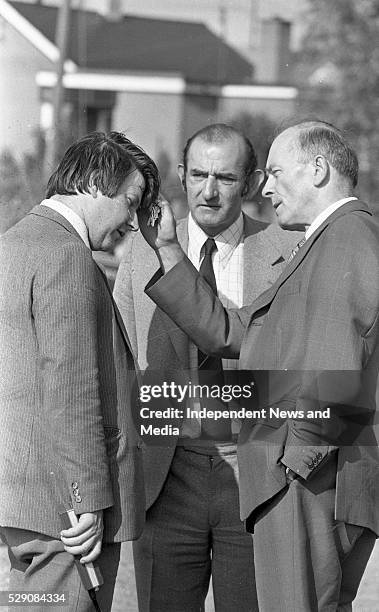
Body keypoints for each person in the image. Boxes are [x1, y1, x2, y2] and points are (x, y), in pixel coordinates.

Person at [139, 120, 379, 611]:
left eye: (273, 172)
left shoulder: (348, 237)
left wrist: (284, 464)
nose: (265, 189)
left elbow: (341, 377)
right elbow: (237, 332)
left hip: (309, 483)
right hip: (303, 476)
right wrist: (167, 248)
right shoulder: (324, 241)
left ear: (317, 170)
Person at [114, 123, 301, 611]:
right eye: (198, 175)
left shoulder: (290, 253)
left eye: (225, 177)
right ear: (180, 174)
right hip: (164, 474)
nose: (209, 191)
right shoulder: (139, 253)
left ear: (252, 182)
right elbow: (123, 359)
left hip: (255, 476)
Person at [0, 131, 160, 611]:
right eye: (130, 202)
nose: (131, 223)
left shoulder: (13, 243)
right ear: (93, 181)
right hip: (67, 519)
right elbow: (71, 390)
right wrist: (86, 500)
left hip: (21, 499)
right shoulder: (66, 255)